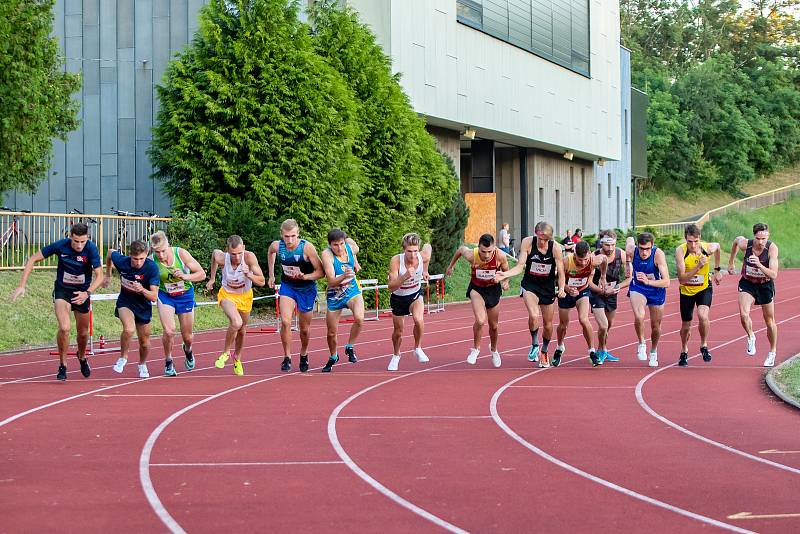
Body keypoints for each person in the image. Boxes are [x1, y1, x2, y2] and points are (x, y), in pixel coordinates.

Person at [11, 223, 103, 380]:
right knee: (65, 328)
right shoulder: (61, 245)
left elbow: (99, 276)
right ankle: (63, 364)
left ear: (87, 238)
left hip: (82, 293)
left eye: (82, 241)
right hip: (63, 290)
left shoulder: (91, 249)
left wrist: (87, 293)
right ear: (70, 238)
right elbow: (33, 259)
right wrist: (21, 285)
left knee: (83, 333)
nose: (79, 245)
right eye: (76, 241)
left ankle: (81, 357)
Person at [495, 221, 565, 367]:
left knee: (548, 324)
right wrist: (505, 274)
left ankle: (544, 351)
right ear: (535, 235)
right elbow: (520, 266)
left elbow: (562, 273)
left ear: (550, 239)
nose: (542, 242)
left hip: (547, 287)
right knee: (534, 315)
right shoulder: (527, 242)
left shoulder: (556, 248)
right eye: (540, 239)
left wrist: (562, 288)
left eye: (545, 240)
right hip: (530, 285)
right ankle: (534, 343)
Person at [267, 219, 324, 373]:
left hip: (306, 289)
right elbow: (270, 252)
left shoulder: (307, 248)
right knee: (285, 321)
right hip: (288, 287)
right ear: (281, 235)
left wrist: (304, 276)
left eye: (293, 236)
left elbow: (321, 272)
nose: (290, 240)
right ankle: (287, 357)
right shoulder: (277, 246)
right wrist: (271, 275)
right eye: (286, 236)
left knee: (304, 329)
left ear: (298, 234)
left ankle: (304, 353)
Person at [446, 234, 510, 367]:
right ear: (478, 248)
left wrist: (505, 282)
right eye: (483, 252)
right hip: (477, 289)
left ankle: (494, 350)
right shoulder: (471, 255)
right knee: (480, 320)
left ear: (494, 248)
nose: (486, 255)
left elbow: (506, 272)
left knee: (494, 326)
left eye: (489, 252)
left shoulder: (500, 256)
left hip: (493, 290)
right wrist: (451, 266)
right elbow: (460, 250)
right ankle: (476, 349)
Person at [206, 235, 266, 376]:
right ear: (227, 251)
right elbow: (215, 255)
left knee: (242, 329)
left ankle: (237, 358)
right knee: (236, 322)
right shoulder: (223, 257)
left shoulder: (249, 257)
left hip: (245, 296)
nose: (237, 257)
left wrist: (249, 275)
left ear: (244, 248)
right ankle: (225, 353)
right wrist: (212, 278)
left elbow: (262, 281)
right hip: (227, 294)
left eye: (240, 253)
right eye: (233, 254)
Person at [150, 231, 206, 376]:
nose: (160, 255)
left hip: (185, 295)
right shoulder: (151, 260)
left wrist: (185, 276)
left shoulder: (180, 254)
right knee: (169, 331)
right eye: (157, 252)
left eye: (162, 251)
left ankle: (188, 350)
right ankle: (168, 361)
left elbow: (201, 274)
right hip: (165, 295)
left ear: (168, 245)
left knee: (187, 336)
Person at [103, 240, 160, 378]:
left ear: (147, 254)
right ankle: (123, 357)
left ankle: (142, 364)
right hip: (126, 301)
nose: (138, 262)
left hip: (143, 305)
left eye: (141, 258)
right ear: (130, 255)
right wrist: (108, 274)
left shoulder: (152, 268)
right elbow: (110, 253)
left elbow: (154, 296)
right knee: (129, 329)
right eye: (135, 259)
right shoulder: (122, 261)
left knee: (145, 343)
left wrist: (142, 290)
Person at [728, 222, 779, 367]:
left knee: (769, 321)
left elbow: (774, 274)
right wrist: (731, 262)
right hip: (748, 283)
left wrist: (760, 265)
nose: (761, 242)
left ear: (768, 236)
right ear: (754, 236)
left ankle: (772, 352)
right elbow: (736, 241)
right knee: (744, 314)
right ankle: (751, 336)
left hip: (765, 284)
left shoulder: (772, 249)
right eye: (758, 238)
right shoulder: (746, 245)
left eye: (764, 238)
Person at [553, 240, 607, 367]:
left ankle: (592, 351)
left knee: (584, 319)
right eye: (579, 259)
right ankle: (560, 347)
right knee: (563, 325)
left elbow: (604, 259)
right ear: (574, 254)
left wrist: (603, 276)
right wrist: (565, 288)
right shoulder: (567, 261)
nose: (583, 263)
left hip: (582, 291)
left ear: (589, 254)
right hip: (566, 292)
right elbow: (557, 278)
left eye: (585, 259)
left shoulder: (594, 260)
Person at [675, 224, 722, 367]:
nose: (693, 245)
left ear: (699, 239)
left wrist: (717, 270)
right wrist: (698, 267)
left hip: (704, 288)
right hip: (686, 291)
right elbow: (682, 279)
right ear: (685, 239)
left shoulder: (706, 248)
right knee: (686, 326)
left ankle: (704, 345)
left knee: (703, 316)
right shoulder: (680, 251)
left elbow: (718, 246)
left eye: (696, 241)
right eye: (690, 241)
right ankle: (684, 350)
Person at [386, 233, 432, 371]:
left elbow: (428, 248)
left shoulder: (422, 256)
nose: (412, 255)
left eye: (415, 251)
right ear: (403, 249)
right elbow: (391, 287)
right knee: (398, 332)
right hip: (398, 298)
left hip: (415, 295)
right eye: (409, 251)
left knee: (418, 319)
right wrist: (404, 276)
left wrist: (425, 270)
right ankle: (396, 355)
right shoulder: (396, 261)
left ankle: (417, 348)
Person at [320, 228, 364, 373]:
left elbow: (353, 246)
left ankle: (349, 347)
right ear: (329, 245)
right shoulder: (327, 255)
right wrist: (344, 275)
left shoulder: (351, 246)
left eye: (341, 244)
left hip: (352, 290)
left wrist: (355, 261)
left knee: (359, 318)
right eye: (335, 245)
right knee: (331, 333)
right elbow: (331, 281)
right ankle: (333, 356)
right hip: (335, 294)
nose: (339, 248)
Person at [625, 232, 670, 367]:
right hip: (638, 288)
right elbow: (629, 239)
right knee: (639, 316)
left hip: (656, 290)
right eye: (641, 249)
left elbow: (667, 282)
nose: (644, 253)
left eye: (647, 249)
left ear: (652, 247)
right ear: (638, 247)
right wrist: (628, 264)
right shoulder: (632, 251)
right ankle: (642, 343)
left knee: (655, 326)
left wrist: (648, 282)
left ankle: (654, 351)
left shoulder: (658, 255)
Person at [589, 230, 629, 364]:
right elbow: (587, 281)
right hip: (596, 293)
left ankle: (603, 349)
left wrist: (618, 287)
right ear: (601, 244)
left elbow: (630, 277)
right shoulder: (593, 257)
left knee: (609, 325)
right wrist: (599, 290)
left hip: (612, 293)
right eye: (607, 245)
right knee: (604, 325)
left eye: (613, 245)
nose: (610, 248)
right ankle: (601, 351)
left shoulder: (621, 254)